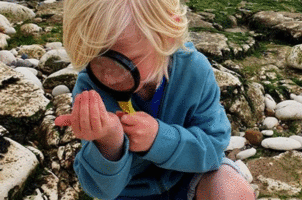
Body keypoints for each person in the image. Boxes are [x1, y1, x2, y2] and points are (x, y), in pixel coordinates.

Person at [55, 0, 255, 199]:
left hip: (189, 177)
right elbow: (103, 191)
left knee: (231, 190)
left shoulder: (194, 71)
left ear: (166, 36)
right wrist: (109, 144)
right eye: (96, 62)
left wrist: (158, 139)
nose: (109, 77)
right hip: (130, 193)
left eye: (125, 62)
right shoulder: (90, 89)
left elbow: (213, 151)